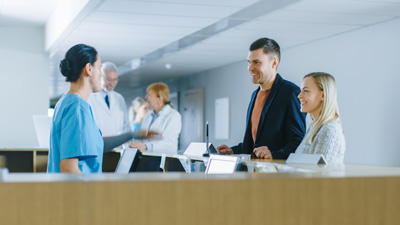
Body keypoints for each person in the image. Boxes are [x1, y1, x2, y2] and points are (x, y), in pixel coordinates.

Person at [47, 44, 158, 174]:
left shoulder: (66, 102)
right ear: (89, 69)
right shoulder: (77, 108)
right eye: (99, 67)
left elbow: (96, 144)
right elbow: (69, 168)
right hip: (78, 191)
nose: (101, 74)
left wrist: (131, 135)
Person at [217, 37, 306, 159]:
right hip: (253, 171)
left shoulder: (291, 92)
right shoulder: (255, 94)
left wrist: (273, 155)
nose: (250, 68)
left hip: (276, 173)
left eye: (256, 62)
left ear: (274, 62)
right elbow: (255, 142)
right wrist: (232, 151)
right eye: (249, 62)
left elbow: (297, 141)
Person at [295, 72, 345, 163]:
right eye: (301, 91)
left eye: (305, 91)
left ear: (323, 95)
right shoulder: (314, 128)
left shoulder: (330, 130)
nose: (299, 96)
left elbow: (321, 174)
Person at [129, 82, 181, 154]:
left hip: (164, 159)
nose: (146, 97)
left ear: (159, 99)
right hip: (146, 157)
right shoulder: (148, 115)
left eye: (149, 94)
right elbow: (144, 139)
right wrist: (136, 144)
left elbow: (169, 143)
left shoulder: (174, 116)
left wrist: (146, 146)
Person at [87, 62, 130, 137]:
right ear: (100, 77)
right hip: (97, 145)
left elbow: (126, 127)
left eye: (115, 79)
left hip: (118, 147)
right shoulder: (90, 97)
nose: (112, 83)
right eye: (109, 79)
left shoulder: (119, 98)